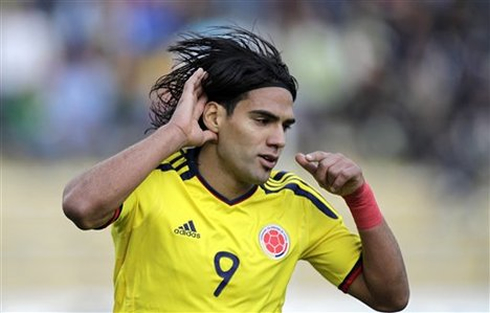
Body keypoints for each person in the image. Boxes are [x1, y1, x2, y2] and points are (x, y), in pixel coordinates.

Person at [62, 26, 409, 312]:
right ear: (214, 117)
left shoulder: (295, 203)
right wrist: (175, 134)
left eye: (284, 126)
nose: (278, 139)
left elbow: (390, 298)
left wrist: (358, 197)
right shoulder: (152, 180)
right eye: (262, 120)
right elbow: (81, 206)